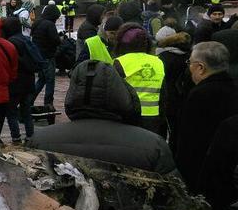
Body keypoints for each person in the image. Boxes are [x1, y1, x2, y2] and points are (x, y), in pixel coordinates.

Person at [28, 61, 176, 175]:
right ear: (121, 93)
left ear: (73, 93)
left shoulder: (39, 139)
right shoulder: (154, 147)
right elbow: (176, 200)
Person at [175, 42, 238, 192]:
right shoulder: (234, 89)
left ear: (201, 68)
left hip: (200, 175)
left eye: (190, 62)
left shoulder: (199, 95)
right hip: (227, 175)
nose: (189, 67)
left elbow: (187, 142)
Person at [112, 23, 165, 136]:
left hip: (128, 116)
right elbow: (164, 93)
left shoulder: (119, 62)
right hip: (153, 116)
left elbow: (114, 93)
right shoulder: (158, 62)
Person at [3, 16, 41, 143]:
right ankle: (31, 136)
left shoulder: (10, 43)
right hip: (29, 81)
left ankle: (16, 137)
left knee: (11, 112)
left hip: (15, 82)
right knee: (26, 111)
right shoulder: (26, 40)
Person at [155, 25, 193, 149]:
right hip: (185, 95)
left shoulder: (163, 58)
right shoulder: (189, 56)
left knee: (167, 126)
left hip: (168, 96)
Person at [31, 3, 61, 109]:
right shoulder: (49, 24)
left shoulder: (38, 22)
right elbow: (55, 40)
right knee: (50, 81)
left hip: (38, 56)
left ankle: (30, 100)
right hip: (48, 56)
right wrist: (60, 39)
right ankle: (48, 103)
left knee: (42, 79)